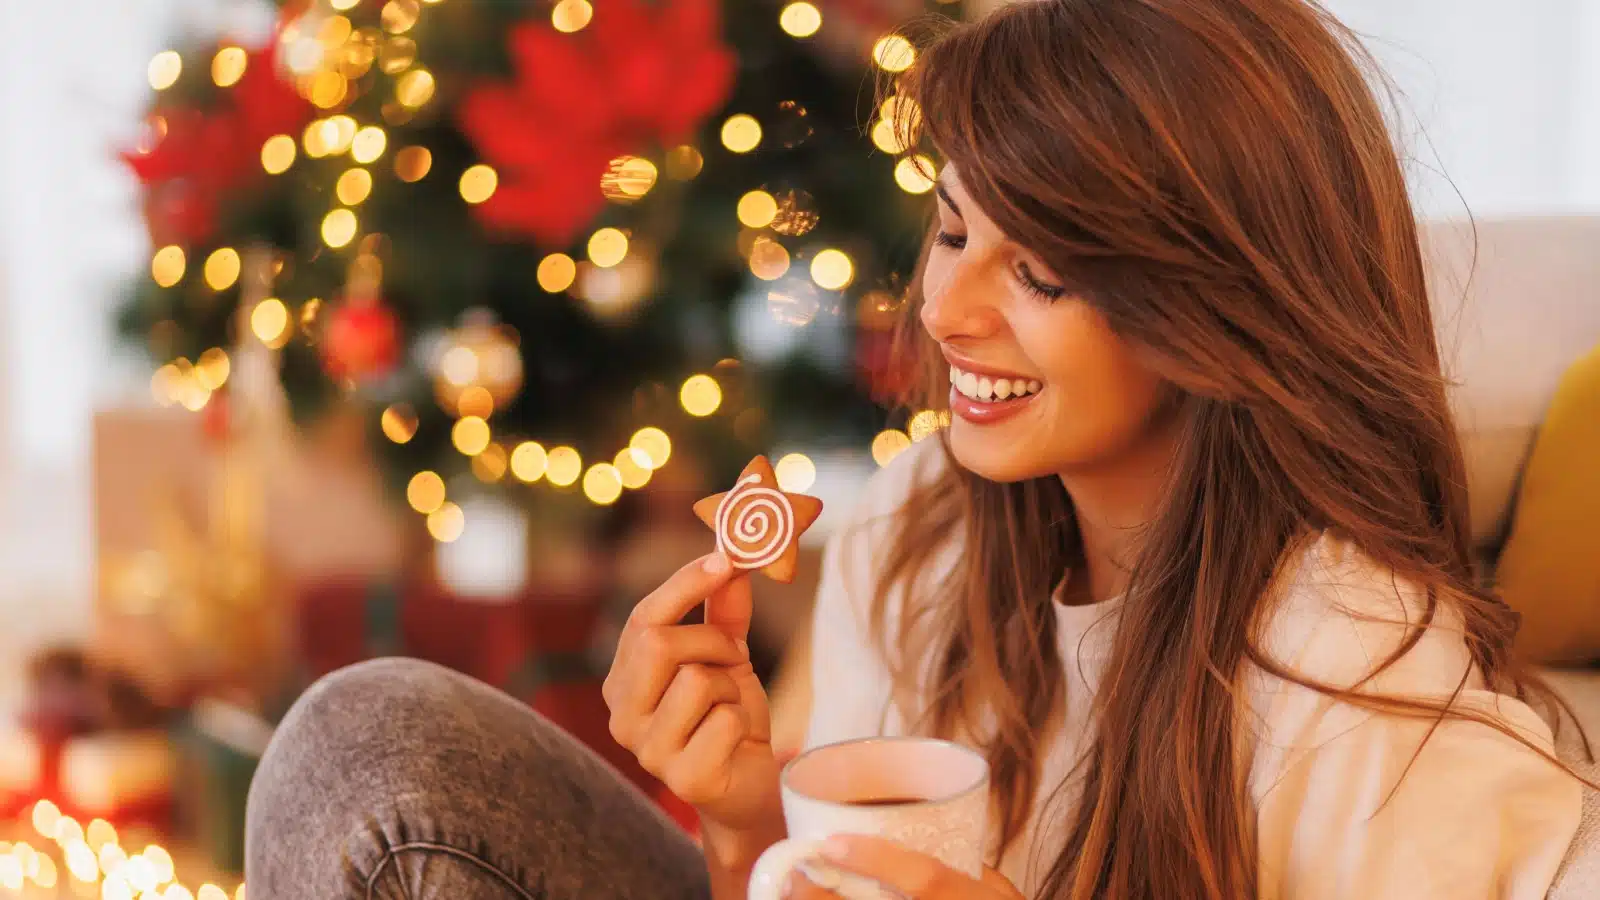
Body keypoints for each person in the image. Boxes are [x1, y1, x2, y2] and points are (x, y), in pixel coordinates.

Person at [243, 1, 1586, 898]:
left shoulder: (1368, 694)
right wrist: (743, 813)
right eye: (953, 230)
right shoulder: (920, 524)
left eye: (1042, 271)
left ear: (1218, 301)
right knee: (370, 744)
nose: (944, 311)